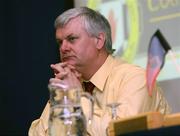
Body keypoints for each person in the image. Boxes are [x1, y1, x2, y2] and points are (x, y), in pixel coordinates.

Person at [29, 7, 171, 136]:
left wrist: (77, 98)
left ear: (99, 40)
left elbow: (121, 133)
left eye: (72, 39)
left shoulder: (135, 78)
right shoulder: (70, 84)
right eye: (60, 42)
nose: (63, 48)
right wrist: (60, 98)